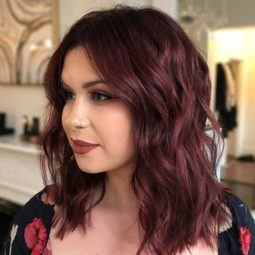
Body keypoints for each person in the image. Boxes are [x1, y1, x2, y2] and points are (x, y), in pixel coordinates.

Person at [1, 5, 255, 255]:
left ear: (161, 102)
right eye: (68, 94)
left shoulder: (229, 223)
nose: (72, 118)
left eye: (100, 95)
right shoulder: (41, 216)